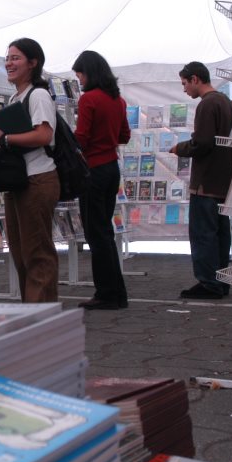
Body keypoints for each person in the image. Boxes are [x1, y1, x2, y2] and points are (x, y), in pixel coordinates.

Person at [0, 38, 61, 302]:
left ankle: (41, 318)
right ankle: (32, 312)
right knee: (20, 253)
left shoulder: (38, 95)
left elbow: (43, 135)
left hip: (38, 179)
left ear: (33, 63)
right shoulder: (16, 96)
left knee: (37, 253)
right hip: (19, 181)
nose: (9, 63)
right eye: (7, 58)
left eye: (16, 58)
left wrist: (5, 138)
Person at [169, 61, 232, 299]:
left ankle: (209, 283)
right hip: (224, 181)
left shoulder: (207, 105)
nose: (184, 89)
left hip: (206, 182)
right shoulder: (226, 103)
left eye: (185, 83)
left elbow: (203, 143)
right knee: (220, 234)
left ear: (196, 79)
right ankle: (220, 282)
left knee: (204, 234)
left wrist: (181, 147)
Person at [71, 51, 131, 310]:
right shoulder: (118, 100)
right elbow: (125, 136)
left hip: (92, 169)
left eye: (80, 75)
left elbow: (82, 137)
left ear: (89, 73)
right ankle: (116, 291)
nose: (79, 80)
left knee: (97, 233)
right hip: (110, 168)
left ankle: (107, 293)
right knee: (104, 231)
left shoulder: (89, 100)